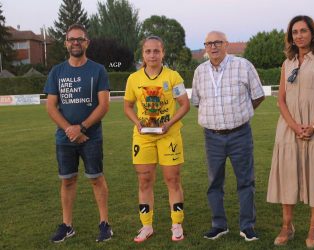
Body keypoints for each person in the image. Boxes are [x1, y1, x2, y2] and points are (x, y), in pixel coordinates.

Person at [266, 15, 314, 248]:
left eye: (303, 31)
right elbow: (281, 100)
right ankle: (287, 226)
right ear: (290, 37)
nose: (299, 35)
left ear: (312, 34)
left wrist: (313, 126)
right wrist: (295, 126)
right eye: (294, 32)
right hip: (289, 127)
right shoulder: (287, 64)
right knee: (287, 176)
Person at [191, 31, 265, 242]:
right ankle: (218, 224)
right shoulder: (200, 71)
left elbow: (258, 95)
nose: (213, 46)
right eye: (208, 43)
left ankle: (247, 226)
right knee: (214, 182)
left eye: (217, 42)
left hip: (240, 134)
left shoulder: (243, 66)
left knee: (245, 181)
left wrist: (241, 113)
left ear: (226, 44)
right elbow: (198, 101)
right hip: (212, 137)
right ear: (205, 47)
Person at [44, 24, 112, 243]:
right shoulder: (57, 71)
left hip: (91, 137)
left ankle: (104, 224)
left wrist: (81, 128)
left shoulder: (98, 70)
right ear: (66, 43)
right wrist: (70, 130)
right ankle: (67, 225)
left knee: (96, 179)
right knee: (67, 181)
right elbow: (51, 106)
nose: (75, 42)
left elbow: (103, 106)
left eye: (80, 39)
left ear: (86, 43)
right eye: (71, 39)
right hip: (65, 138)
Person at [124, 36, 190, 243]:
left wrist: (169, 124)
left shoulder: (173, 77)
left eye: (156, 51)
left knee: (172, 179)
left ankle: (177, 224)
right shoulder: (133, 79)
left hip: (168, 135)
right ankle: (146, 226)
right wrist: (137, 122)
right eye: (148, 51)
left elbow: (184, 105)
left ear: (163, 53)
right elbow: (127, 106)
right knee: (144, 181)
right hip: (143, 138)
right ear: (142, 54)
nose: (152, 55)